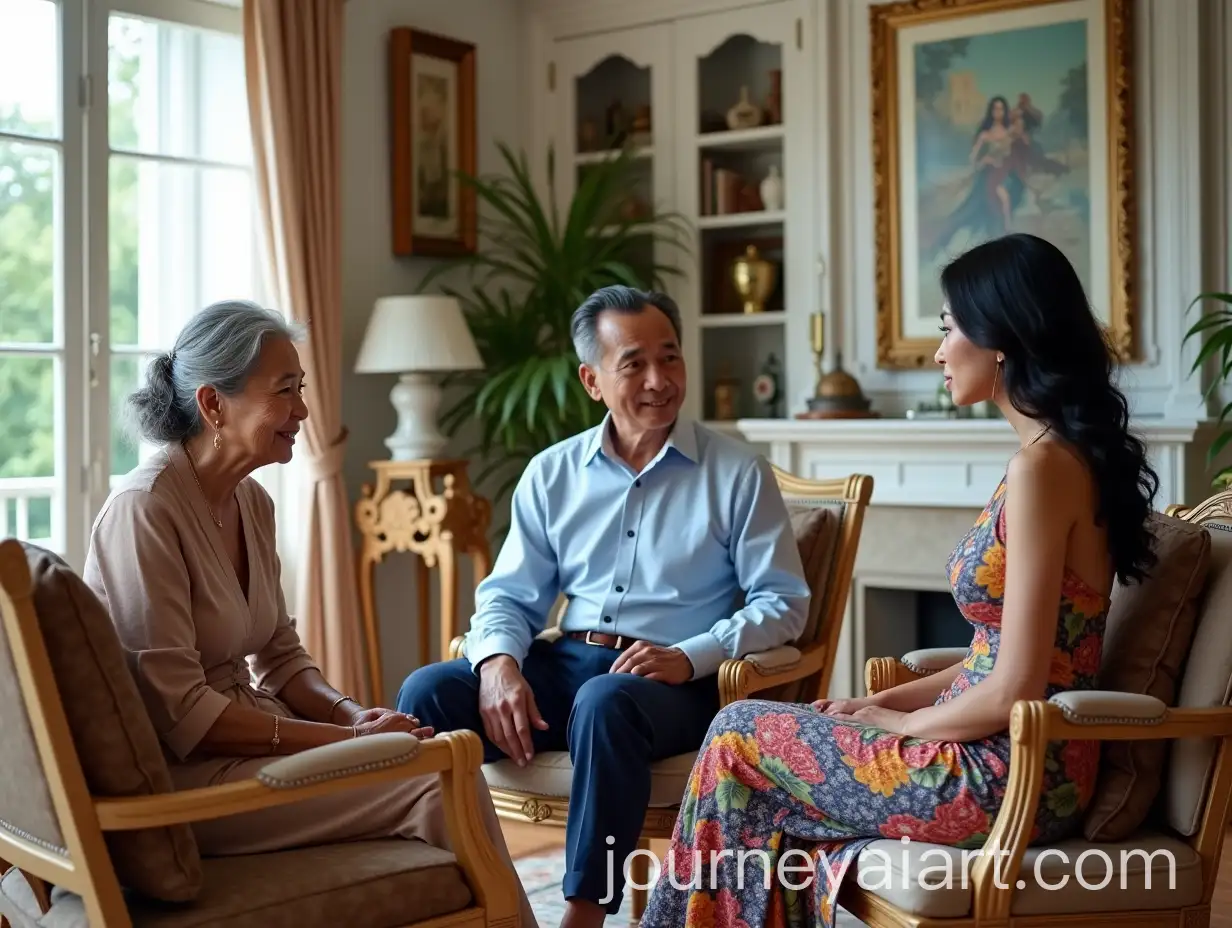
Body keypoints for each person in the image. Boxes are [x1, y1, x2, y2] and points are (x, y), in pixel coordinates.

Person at [639, 233, 1160, 928]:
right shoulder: (1052, 460)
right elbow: (991, 660)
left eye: (949, 330)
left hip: (1007, 776)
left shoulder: (1041, 471)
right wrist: (872, 702)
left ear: (1000, 338)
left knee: (736, 732)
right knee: (769, 746)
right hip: (1012, 757)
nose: (940, 352)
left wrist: (902, 722)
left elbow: (1017, 686)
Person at [83, 300, 538, 928]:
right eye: (285, 392)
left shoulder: (253, 502)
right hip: (184, 780)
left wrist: (353, 713)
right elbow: (182, 714)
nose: (302, 411)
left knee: (444, 762)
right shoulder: (144, 510)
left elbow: (280, 655)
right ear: (213, 404)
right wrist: (348, 741)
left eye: (301, 390)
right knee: (438, 780)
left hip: (253, 745)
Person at [396, 284, 811, 928]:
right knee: (428, 692)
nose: (659, 379)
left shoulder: (737, 473)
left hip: (673, 686)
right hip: (567, 666)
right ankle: (456, 887)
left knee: (606, 702)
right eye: (634, 364)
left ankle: (584, 912)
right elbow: (509, 594)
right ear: (592, 380)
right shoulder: (551, 473)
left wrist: (688, 656)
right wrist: (499, 663)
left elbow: (783, 604)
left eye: (670, 358)